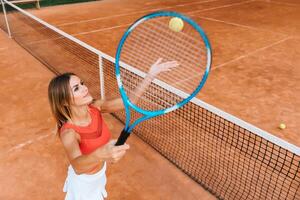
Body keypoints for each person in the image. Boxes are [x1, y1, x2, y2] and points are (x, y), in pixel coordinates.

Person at [47, 58, 178, 200]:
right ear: (65, 101)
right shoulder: (69, 132)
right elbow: (78, 166)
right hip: (83, 185)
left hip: (99, 175)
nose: (85, 88)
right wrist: (101, 154)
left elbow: (130, 101)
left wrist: (150, 75)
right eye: (76, 88)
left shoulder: (96, 107)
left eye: (82, 83)